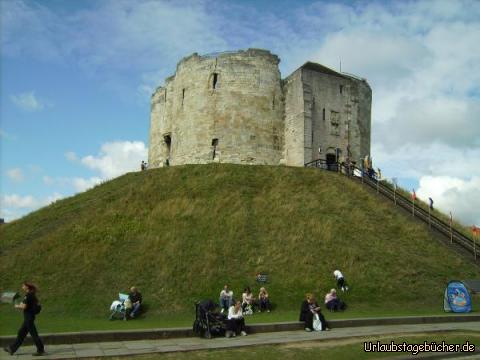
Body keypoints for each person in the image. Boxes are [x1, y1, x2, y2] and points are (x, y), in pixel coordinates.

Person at [4, 282, 45, 356]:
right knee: (21, 334)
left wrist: (17, 306)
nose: (22, 287)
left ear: (27, 287)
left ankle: (40, 350)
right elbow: (25, 305)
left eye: (23, 285)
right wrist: (19, 305)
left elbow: (24, 307)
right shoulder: (31, 295)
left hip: (28, 318)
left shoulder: (28, 295)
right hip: (29, 318)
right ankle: (12, 348)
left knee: (33, 334)